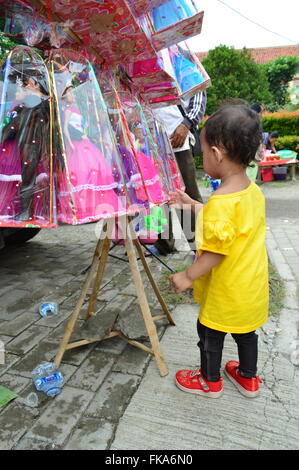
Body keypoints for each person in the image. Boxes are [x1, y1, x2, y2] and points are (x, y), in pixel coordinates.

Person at [170, 105, 269, 398]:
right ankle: (248, 378)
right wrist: (192, 204)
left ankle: (210, 381)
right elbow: (229, 227)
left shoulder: (220, 203)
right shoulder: (251, 191)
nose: (202, 159)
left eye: (202, 152)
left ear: (217, 154)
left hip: (224, 292)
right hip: (250, 288)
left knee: (210, 336)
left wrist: (188, 276)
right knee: (246, 334)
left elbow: (215, 251)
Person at [152, 90, 207, 255]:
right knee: (159, 197)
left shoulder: (183, 64)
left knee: (186, 193)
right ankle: (164, 243)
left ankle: (200, 244)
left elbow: (198, 93)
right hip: (152, 138)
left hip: (178, 138)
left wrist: (187, 123)